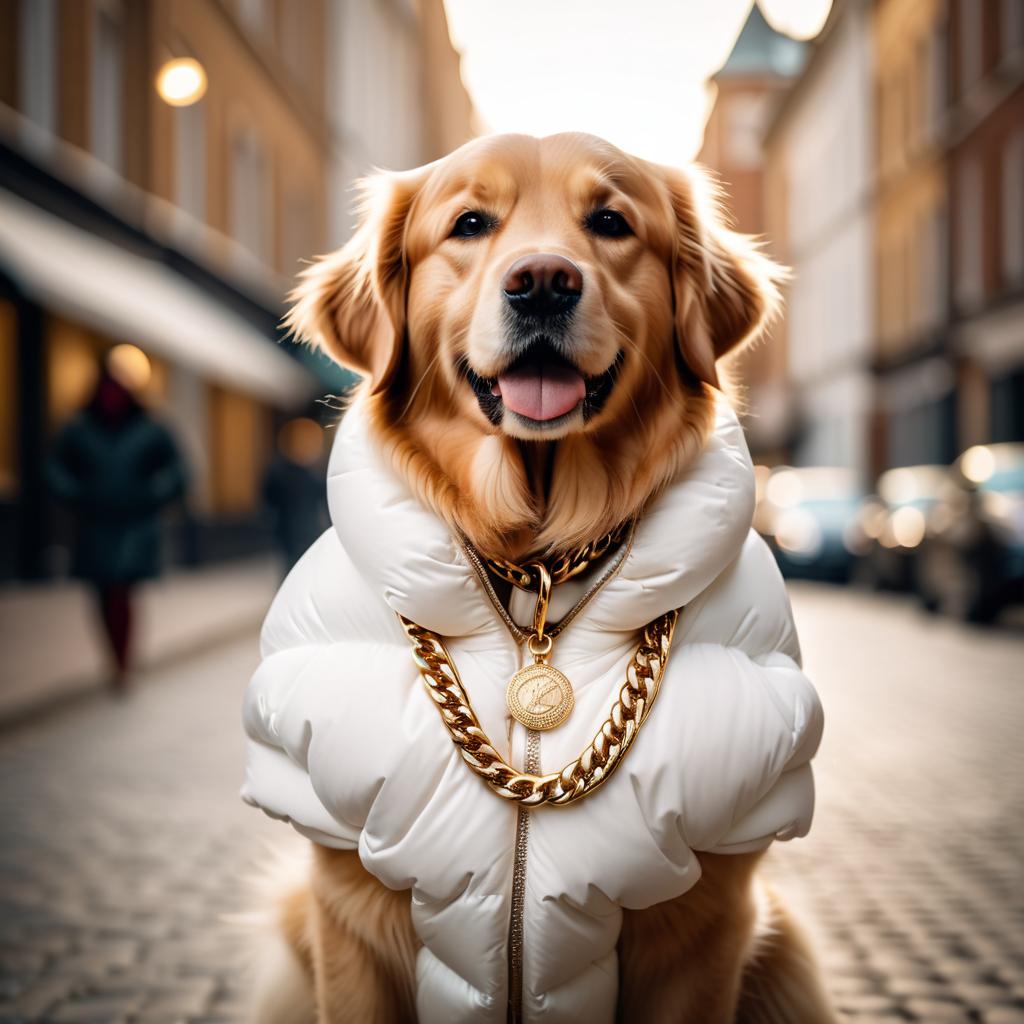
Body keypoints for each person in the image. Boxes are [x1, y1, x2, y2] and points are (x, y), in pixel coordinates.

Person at [47, 353, 187, 693]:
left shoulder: (150, 428)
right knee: (100, 592)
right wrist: (76, 493)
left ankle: (123, 664)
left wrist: (152, 493)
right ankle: (115, 659)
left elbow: (178, 471)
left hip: (134, 524)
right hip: (95, 522)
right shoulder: (80, 428)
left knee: (121, 591)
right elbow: (54, 467)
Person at [262, 416, 328, 573]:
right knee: (293, 571)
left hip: (309, 532)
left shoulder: (313, 473)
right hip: (289, 533)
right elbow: (269, 499)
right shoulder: (280, 472)